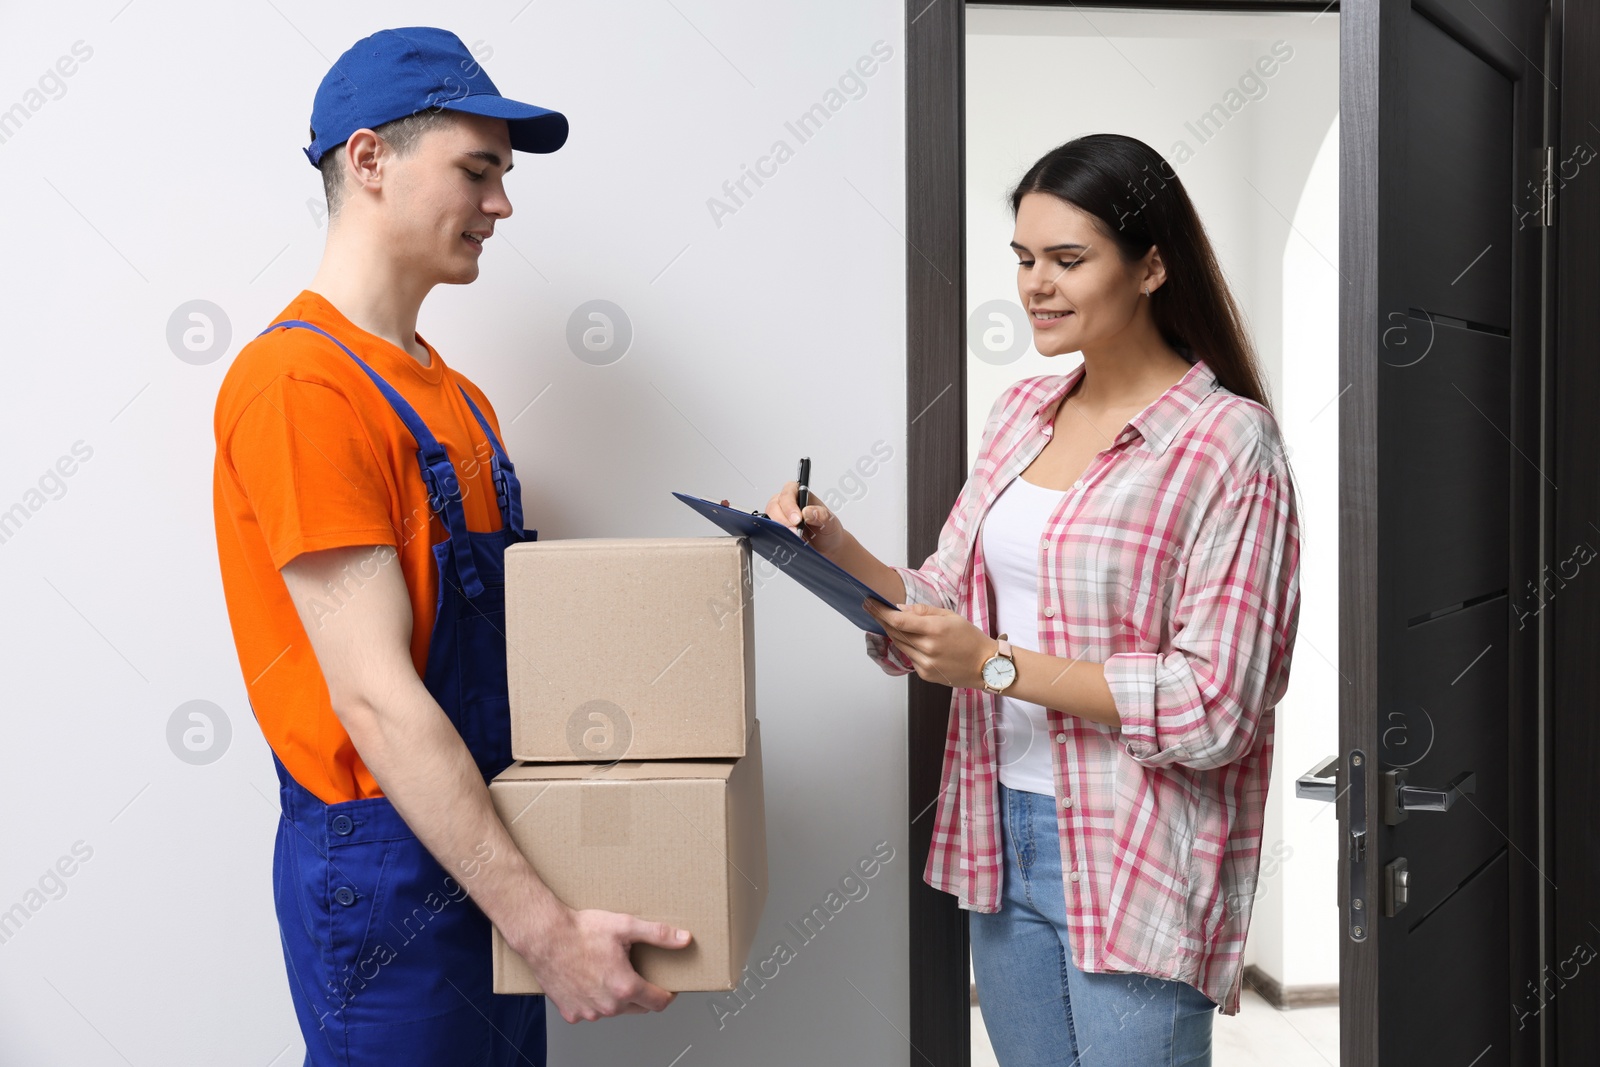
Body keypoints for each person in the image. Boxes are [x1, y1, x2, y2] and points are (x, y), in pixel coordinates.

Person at [765, 133, 1301, 1066]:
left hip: (1138, 845)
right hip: (999, 827)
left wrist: (996, 666)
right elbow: (947, 596)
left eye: (1067, 259)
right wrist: (834, 544)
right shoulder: (1021, 414)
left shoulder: (1227, 444)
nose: (1035, 286)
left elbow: (1215, 704)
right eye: (1023, 259)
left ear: (1152, 267)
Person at [211, 27, 689, 1066]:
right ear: (370, 159)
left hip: (477, 843)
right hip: (386, 870)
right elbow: (377, 697)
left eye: (504, 177)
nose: (503, 205)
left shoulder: (453, 396)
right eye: (478, 171)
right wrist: (546, 931)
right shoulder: (303, 387)